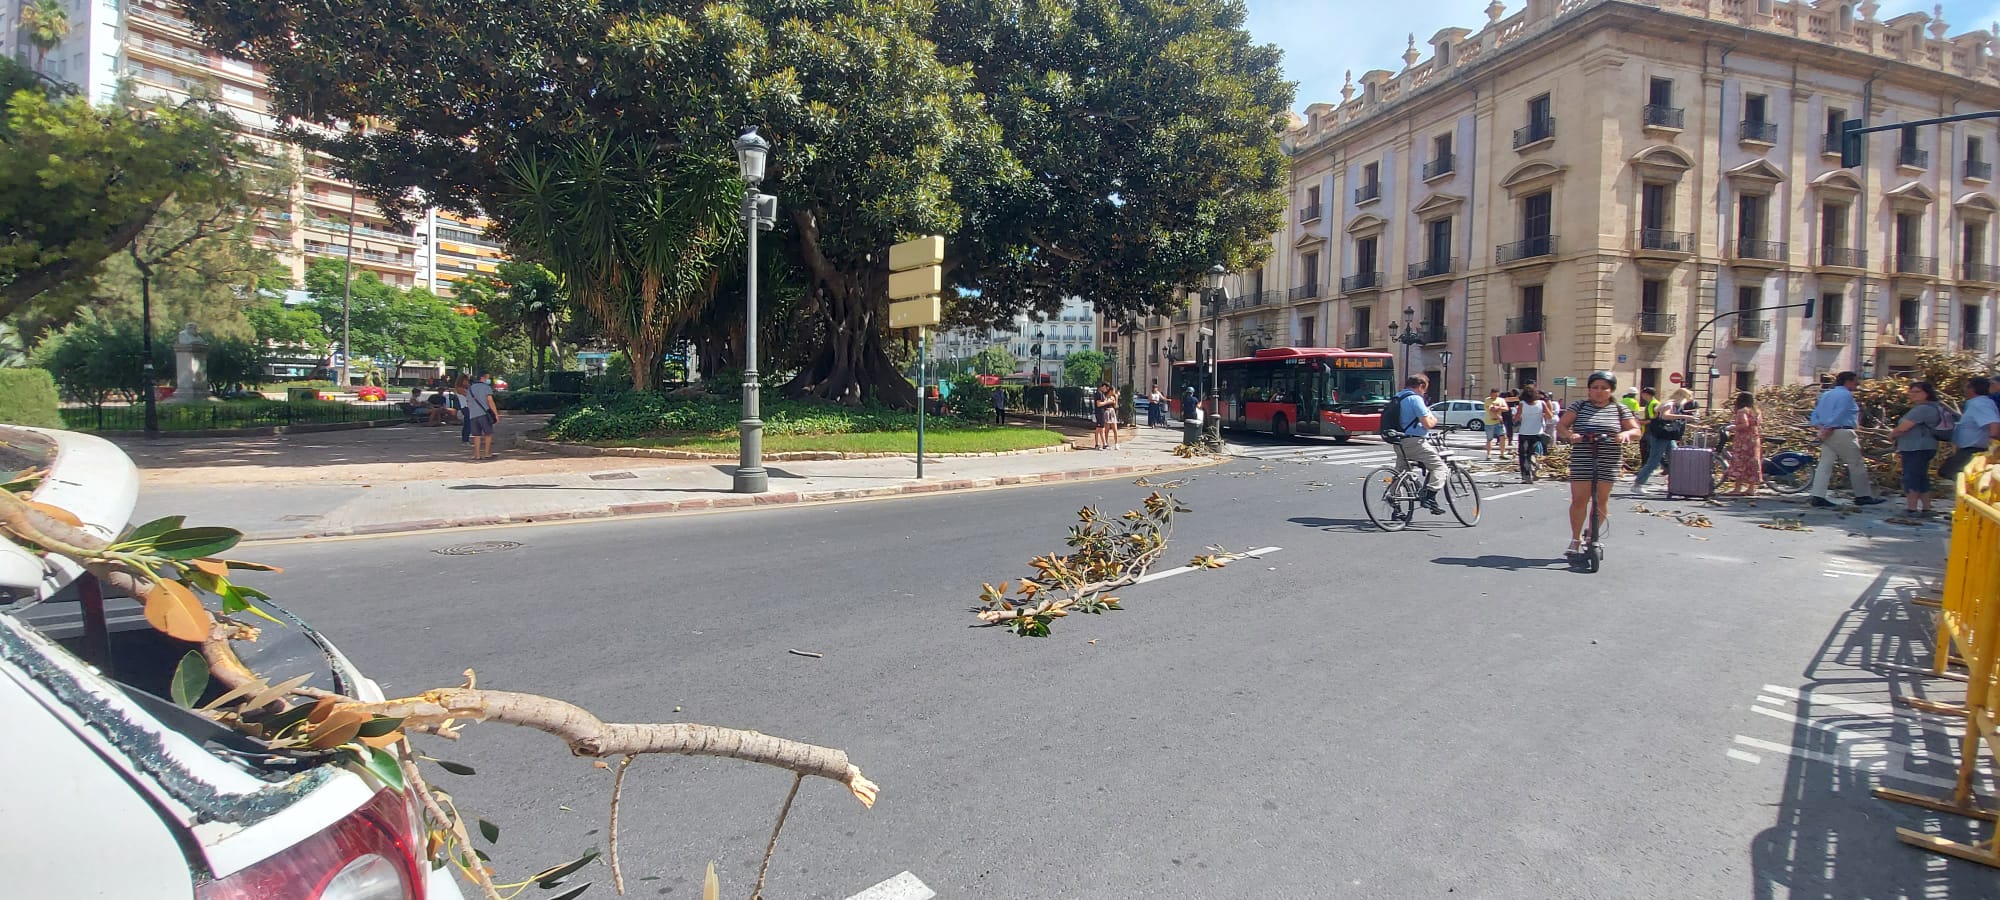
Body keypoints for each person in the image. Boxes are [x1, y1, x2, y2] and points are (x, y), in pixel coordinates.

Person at [1556, 371, 1640, 556]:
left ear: (1611, 390)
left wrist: (1625, 434)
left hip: (1608, 458)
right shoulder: (1579, 406)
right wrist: (1571, 435)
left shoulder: (1619, 409)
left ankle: (1592, 535)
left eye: (1604, 388)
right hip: (1583, 457)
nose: (1599, 391)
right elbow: (1561, 426)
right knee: (1579, 500)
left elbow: (1636, 430)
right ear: (1589, 390)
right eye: (1595, 387)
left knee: (1601, 500)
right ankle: (1575, 538)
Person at [1807, 371, 1883, 508]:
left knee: (1825, 464)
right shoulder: (1846, 395)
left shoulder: (1826, 394)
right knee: (1856, 464)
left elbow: (1815, 414)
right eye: (1855, 381)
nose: (1857, 384)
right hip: (1841, 430)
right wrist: (1829, 427)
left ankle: (1817, 496)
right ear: (1847, 381)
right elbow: (1839, 413)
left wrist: (1821, 428)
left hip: (1825, 430)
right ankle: (1863, 495)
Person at [1389, 375, 1447, 515]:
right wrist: (1434, 420)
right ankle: (1429, 497)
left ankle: (1395, 505)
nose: (1424, 393)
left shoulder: (1397, 397)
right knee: (1440, 468)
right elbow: (1428, 423)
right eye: (1424, 390)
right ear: (1420, 386)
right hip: (1414, 442)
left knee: (1400, 473)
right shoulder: (1415, 399)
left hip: (1398, 441)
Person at [1890, 381, 1944, 516]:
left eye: (1917, 392)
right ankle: (1926, 508)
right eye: (1911, 391)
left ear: (1927, 393)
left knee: (1911, 477)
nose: (1912, 394)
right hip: (1924, 447)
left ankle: (1911, 508)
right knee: (1921, 477)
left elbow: (1905, 427)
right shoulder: (1932, 407)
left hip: (1916, 447)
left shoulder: (1923, 409)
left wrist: (1892, 434)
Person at [1632, 386, 1695, 493]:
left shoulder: (1672, 404)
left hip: (1666, 435)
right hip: (1662, 436)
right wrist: (1685, 417)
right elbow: (1666, 416)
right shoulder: (1671, 404)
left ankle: (1675, 484)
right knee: (1654, 461)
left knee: (1675, 460)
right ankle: (1638, 484)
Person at [1939, 376, 2000, 484]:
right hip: (1970, 448)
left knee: (1950, 471)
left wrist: (1992, 441)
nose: (1964, 389)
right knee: (1951, 472)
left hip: (1975, 449)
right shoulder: (1976, 403)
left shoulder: (1980, 404)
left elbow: (1994, 423)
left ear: (1972, 388)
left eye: (1966, 387)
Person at [1725, 392, 1762, 496]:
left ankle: (1737, 488)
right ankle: (1751, 488)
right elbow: (1756, 424)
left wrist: (1732, 427)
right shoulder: (1756, 411)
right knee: (1752, 462)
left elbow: (1745, 424)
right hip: (1754, 438)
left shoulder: (1742, 411)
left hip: (1743, 440)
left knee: (1740, 461)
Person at [1516, 386, 1555, 483]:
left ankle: (1526, 476)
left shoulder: (1522, 404)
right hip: (1537, 433)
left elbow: (1516, 418)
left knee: (1523, 455)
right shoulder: (1541, 403)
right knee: (1532, 451)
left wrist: (1519, 417)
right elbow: (1550, 416)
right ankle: (1534, 463)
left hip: (1524, 432)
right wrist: (1541, 414)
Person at [465, 372, 500, 460]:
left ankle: (477, 455)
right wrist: (495, 414)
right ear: (483, 378)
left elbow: (468, 402)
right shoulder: (486, 387)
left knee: (476, 435)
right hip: (484, 414)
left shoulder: (470, 388)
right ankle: (487, 453)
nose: (488, 380)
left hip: (473, 415)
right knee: (488, 434)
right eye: (487, 378)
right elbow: (490, 401)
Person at [1483, 389, 1509, 459]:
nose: (1493, 396)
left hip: (1499, 422)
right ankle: (1489, 454)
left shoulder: (1501, 400)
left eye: (1496, 394)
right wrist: (1495, 408)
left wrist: (1499, 407)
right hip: (1489, 422)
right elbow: (1491, 408)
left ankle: (1502, 454)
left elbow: (1506, 408)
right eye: (1492, 394)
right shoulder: (1487, 400)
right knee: (1489, 438)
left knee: (1503, 437)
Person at [452, 375, 473, 443]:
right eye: (466, 381)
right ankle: (465, 439)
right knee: (468, 423)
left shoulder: (466, 388)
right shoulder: (459, 388)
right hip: (464, 407)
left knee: (469, 423)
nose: (467, 382)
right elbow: (468, 395)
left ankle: (466, 438)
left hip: (468, 406)